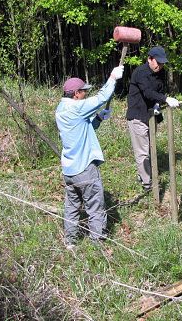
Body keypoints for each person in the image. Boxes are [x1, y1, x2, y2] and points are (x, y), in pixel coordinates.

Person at [55, 65, 123, 249]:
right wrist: (113, 78)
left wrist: (99, 118)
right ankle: (97, 244)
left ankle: (70, 242)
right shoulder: (76, 108)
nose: (85, 94)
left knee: (72, 207)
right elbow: (102, 97)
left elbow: (83, 129)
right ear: (76, 93)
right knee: (95, 206)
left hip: (69, 171)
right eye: (83, 91)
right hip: (85, 168)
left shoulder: (61, 109)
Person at [126, 46, 179, 191]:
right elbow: (148, 92)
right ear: (149, 59)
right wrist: (165, 99)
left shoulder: (160, 73)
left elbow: (159, 90)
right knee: (142, 151)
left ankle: (143, 175)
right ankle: (147, 184)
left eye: (162, 64)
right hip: (138, 116)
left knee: (149, 147)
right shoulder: (140, 72)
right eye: (158, 62)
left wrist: (158, 103)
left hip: (151, 115)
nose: (160, 66)